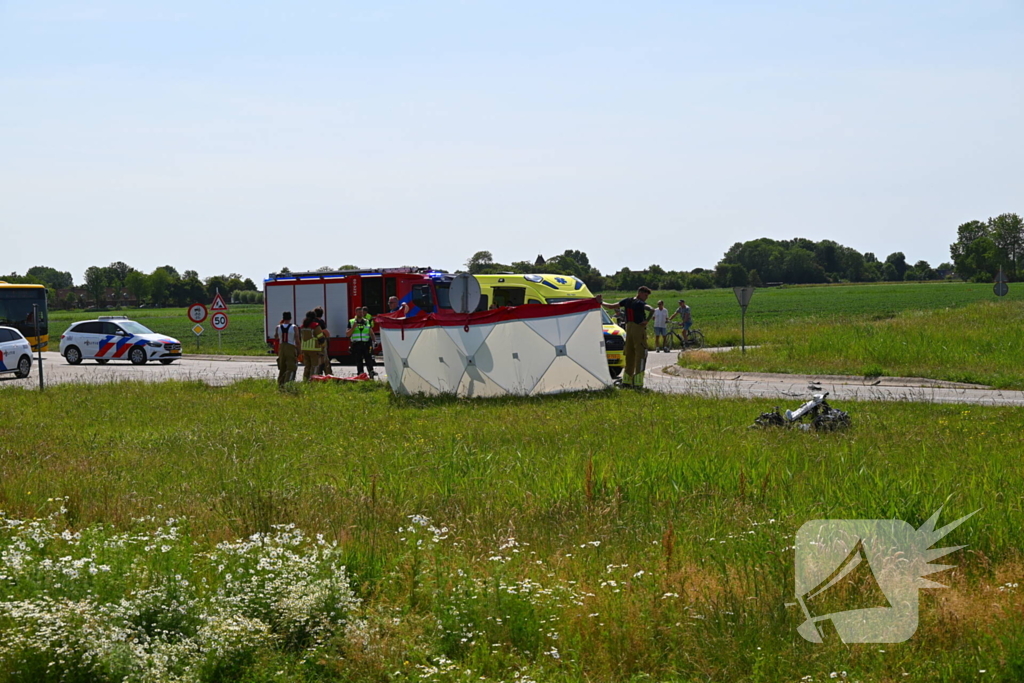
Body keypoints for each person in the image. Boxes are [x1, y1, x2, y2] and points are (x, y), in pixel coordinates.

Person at [600, 286, 652, 388]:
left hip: (629, 329)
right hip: (638, 329)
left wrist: (600, 302)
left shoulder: (627, 301)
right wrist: (647, 320)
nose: (646, 298)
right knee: (640, 355)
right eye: (645, 295)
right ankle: (638, 382)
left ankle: (626, 381)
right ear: (640, 293)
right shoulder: (640, 303)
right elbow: (652, 310)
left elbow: (611, 306)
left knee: (629, 354)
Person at [347, 306, 376, 378]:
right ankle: (360, 374)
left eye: (362, 312)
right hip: (357, 344)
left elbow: (371, 332)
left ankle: (371, 373)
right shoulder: (351, 322)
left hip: (366, 343)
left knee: (369, 359)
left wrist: (374, 341)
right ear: (356, 313)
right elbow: (347, 334)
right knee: (358, 360)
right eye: (359, 312)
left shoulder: (367, 321)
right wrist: (353, 327)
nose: (361, 314)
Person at [274, 311, 299, 387]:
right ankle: (288, 383)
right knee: (291, 367)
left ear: (283, 318)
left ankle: (280, 384)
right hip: (290, 347)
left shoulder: (278, 327)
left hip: (281, 348)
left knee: (282, 367)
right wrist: (300, 351)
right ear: (290, 318)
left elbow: (276, 337)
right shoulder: (294, 327)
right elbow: (297, 340)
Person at [299, 310, 324, 381]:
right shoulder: (315, 326)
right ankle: (312, 381)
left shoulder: (303, 326)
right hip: (314, 349)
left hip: (304, 349)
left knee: (307, 366)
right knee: (315, 366)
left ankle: (305, 380)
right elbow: (321, 338)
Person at [313, 306, 333, 376]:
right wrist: (328, 338)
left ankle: (317, 373)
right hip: (321, 342)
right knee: (325, 358)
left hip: (313, 344)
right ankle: (328, 373)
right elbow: (324, 331)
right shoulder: (320, 322)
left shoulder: (311, 322)